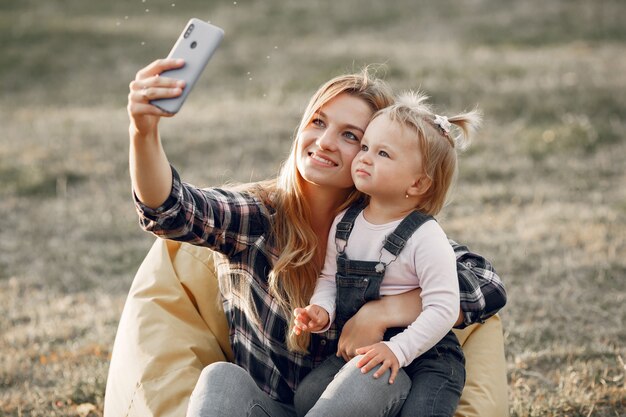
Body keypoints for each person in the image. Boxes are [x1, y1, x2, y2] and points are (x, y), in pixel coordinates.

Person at [121, 57, 507, 417]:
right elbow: (171, 210)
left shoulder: (387, 227)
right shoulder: (259, 215)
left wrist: (382, 312)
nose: (325, 142)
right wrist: (143, 130)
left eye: (351, 135)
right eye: (318, 122)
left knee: (365, 375)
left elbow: (486, 284)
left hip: (362, 397)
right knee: (220, 377)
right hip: (272, 405)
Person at [292, 92, 481, 417]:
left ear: (418, 183)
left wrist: (398, 349)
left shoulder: (425, 236)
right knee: (307, 398)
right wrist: (321, 310)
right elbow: (329, 278)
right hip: (364, 346)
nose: (363, 158)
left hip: (429, 357)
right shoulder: (345, 224)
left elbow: (444, 308)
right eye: (365, 147)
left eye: (382, 153)